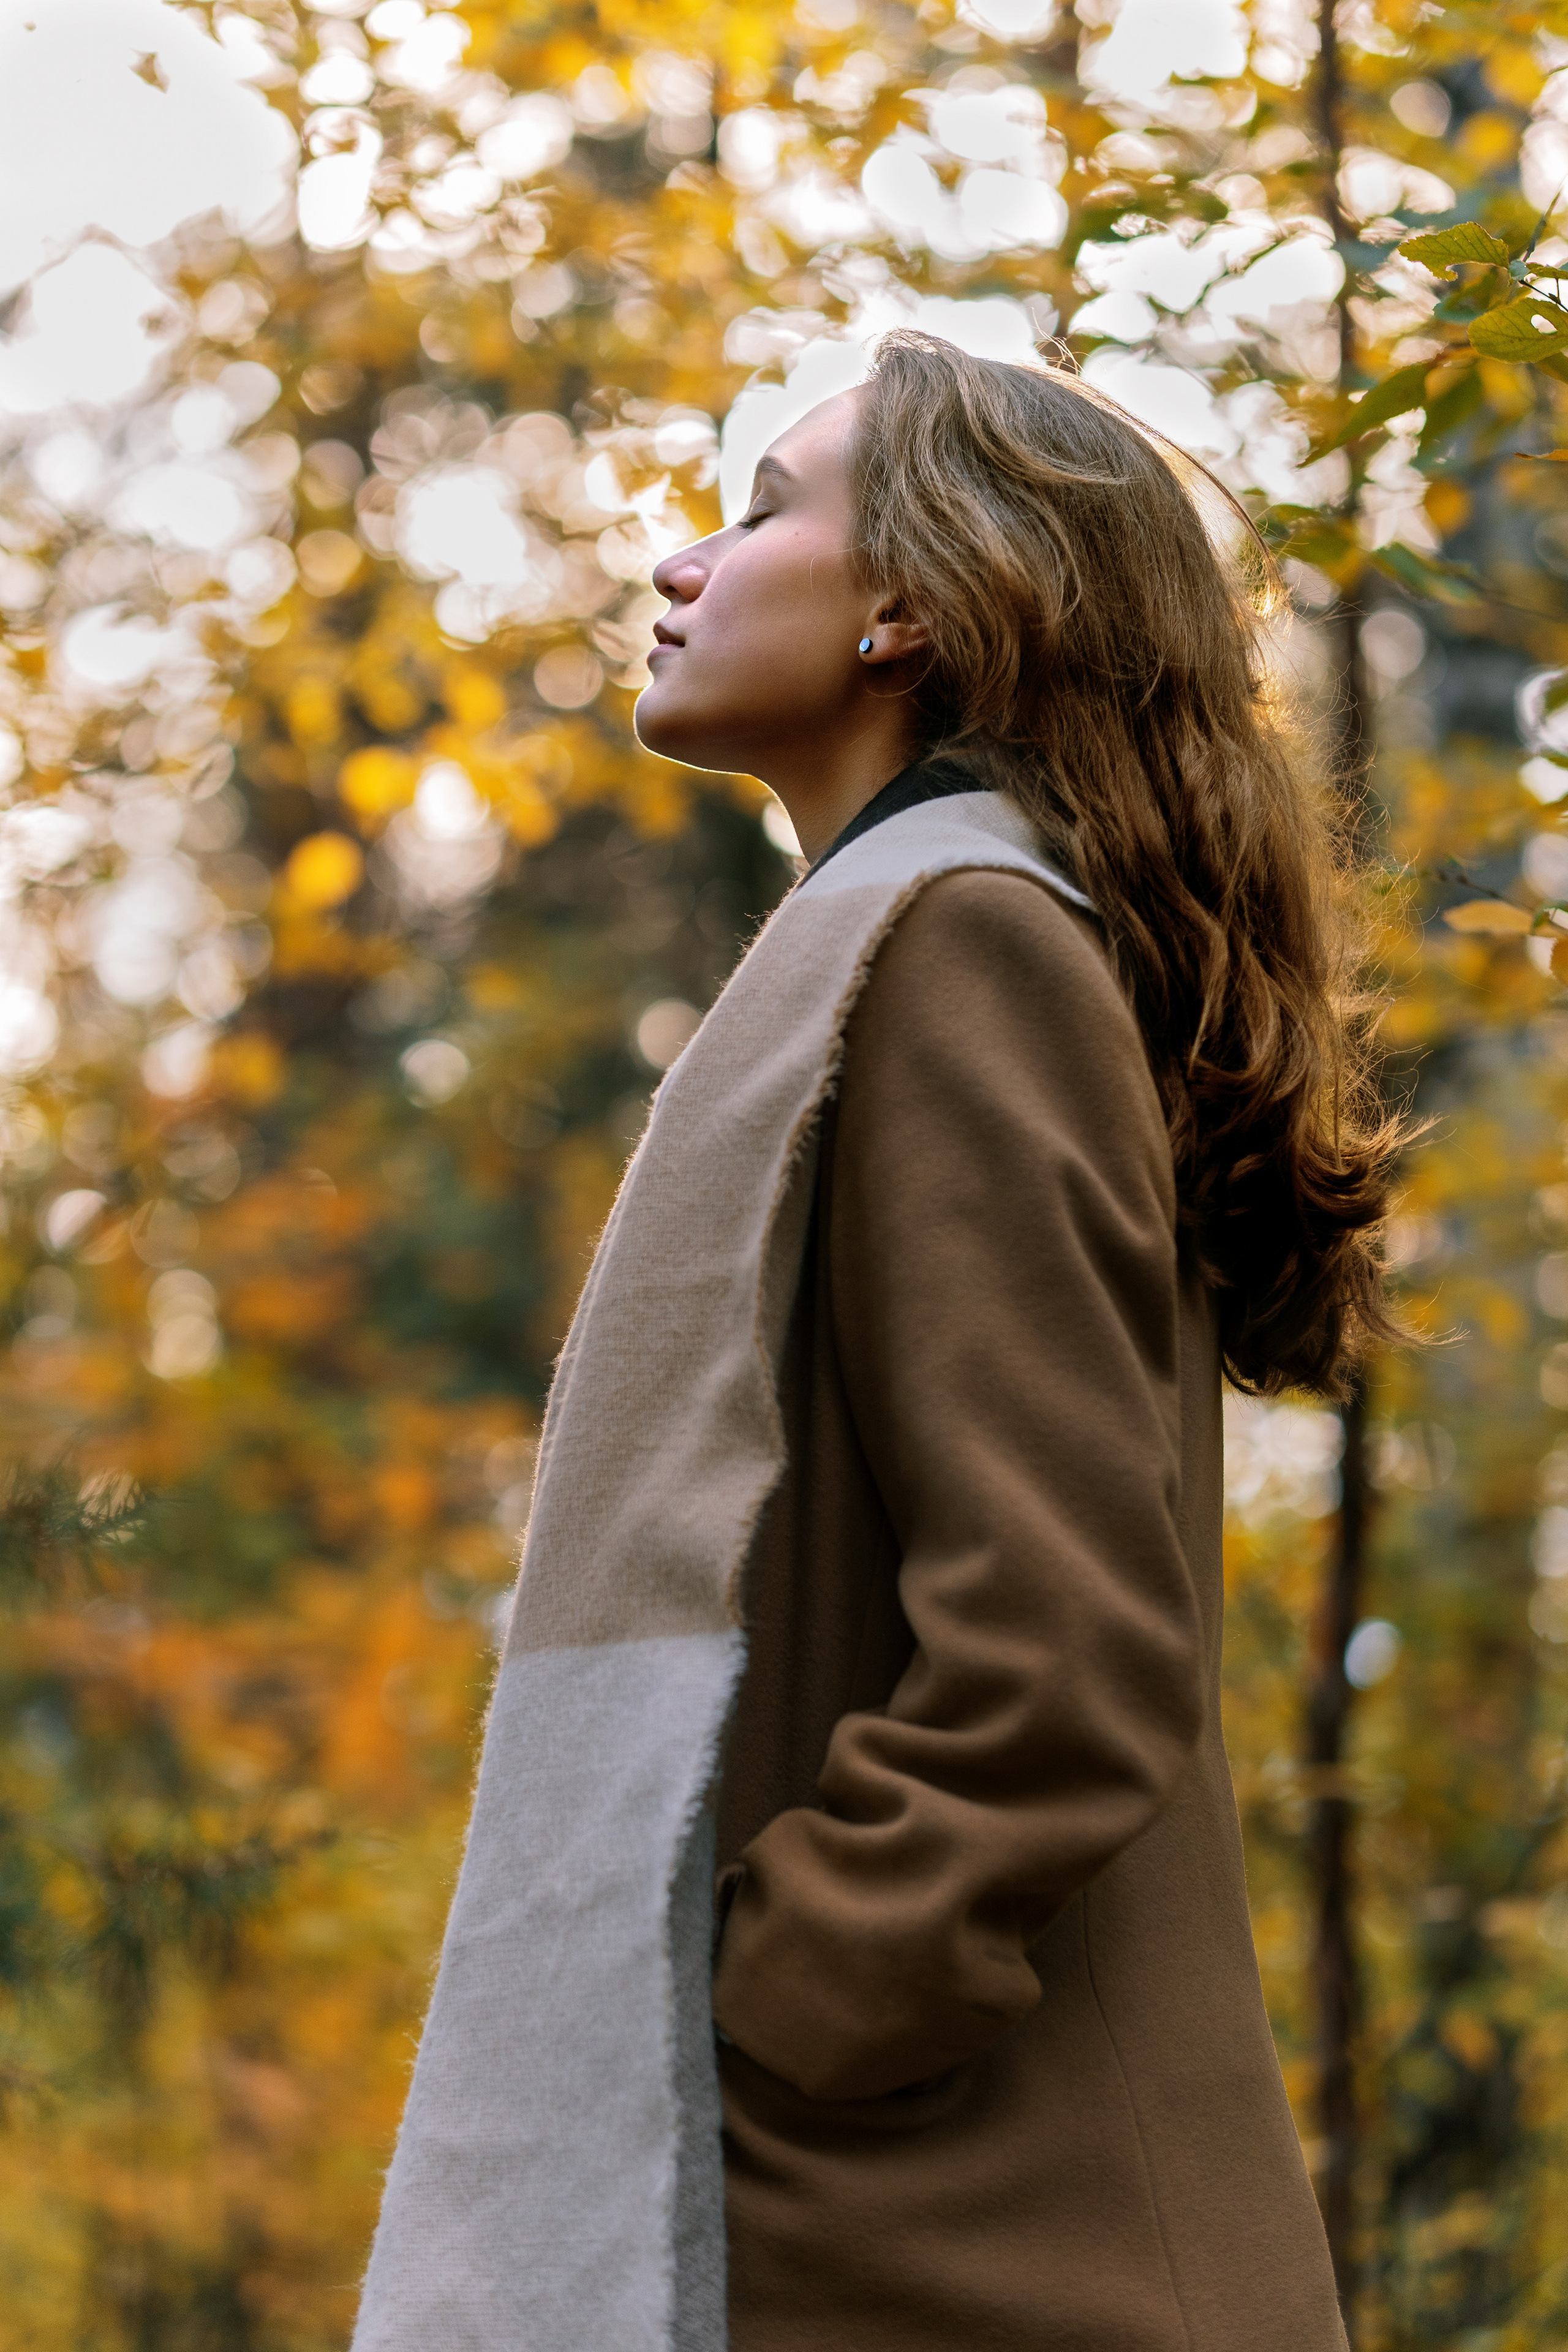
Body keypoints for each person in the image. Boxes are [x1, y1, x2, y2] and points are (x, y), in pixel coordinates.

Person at [350, 334, 1399, 2352]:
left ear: (916, 597)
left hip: (961, 2232)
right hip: (911, 2216)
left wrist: (760, 2022)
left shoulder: (966, 943)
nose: (680, 563)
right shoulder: (930, 931)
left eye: (760, 510)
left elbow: (1066, 1659)